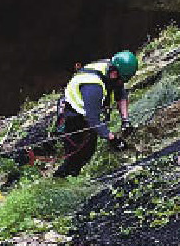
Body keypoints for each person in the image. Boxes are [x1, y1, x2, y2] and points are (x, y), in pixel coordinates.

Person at [17, 50, 138, 178]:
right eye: (121, 79)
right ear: (114, 73)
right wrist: (113, 139)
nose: (121, 83)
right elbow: (93, 120)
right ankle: (57, 178)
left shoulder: (112, 69)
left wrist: (125, 121)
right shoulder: (93, 87)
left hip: (86, 110)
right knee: (77, 155)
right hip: (72, 114)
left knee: (88, 150)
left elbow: (120, 93)